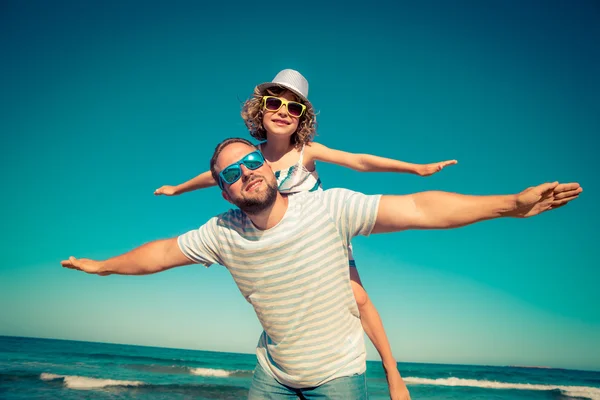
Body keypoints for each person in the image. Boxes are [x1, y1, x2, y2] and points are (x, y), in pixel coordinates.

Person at [62, 137, 582, 399]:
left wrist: (510, 204)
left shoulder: (328, 208)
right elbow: (158, 253)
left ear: (269, 164)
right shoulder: (220, 232)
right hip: (272, 376)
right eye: (231, 174)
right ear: (222, 188)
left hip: (338, 377)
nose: (246, 174)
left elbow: (421, 208)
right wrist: (104, 267)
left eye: (251, 163)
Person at [154, 69, 457, 398]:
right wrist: (178, 189)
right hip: (282, 250)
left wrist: (415, 168)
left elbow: (359, 161)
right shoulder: (251, 157)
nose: (283, 111)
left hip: (322, 239)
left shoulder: (306, 152)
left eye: (294, 108)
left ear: (302, 119)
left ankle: (392, 371)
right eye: (274, 103)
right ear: (260, 110)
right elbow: (213, 176)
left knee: (357, 298)